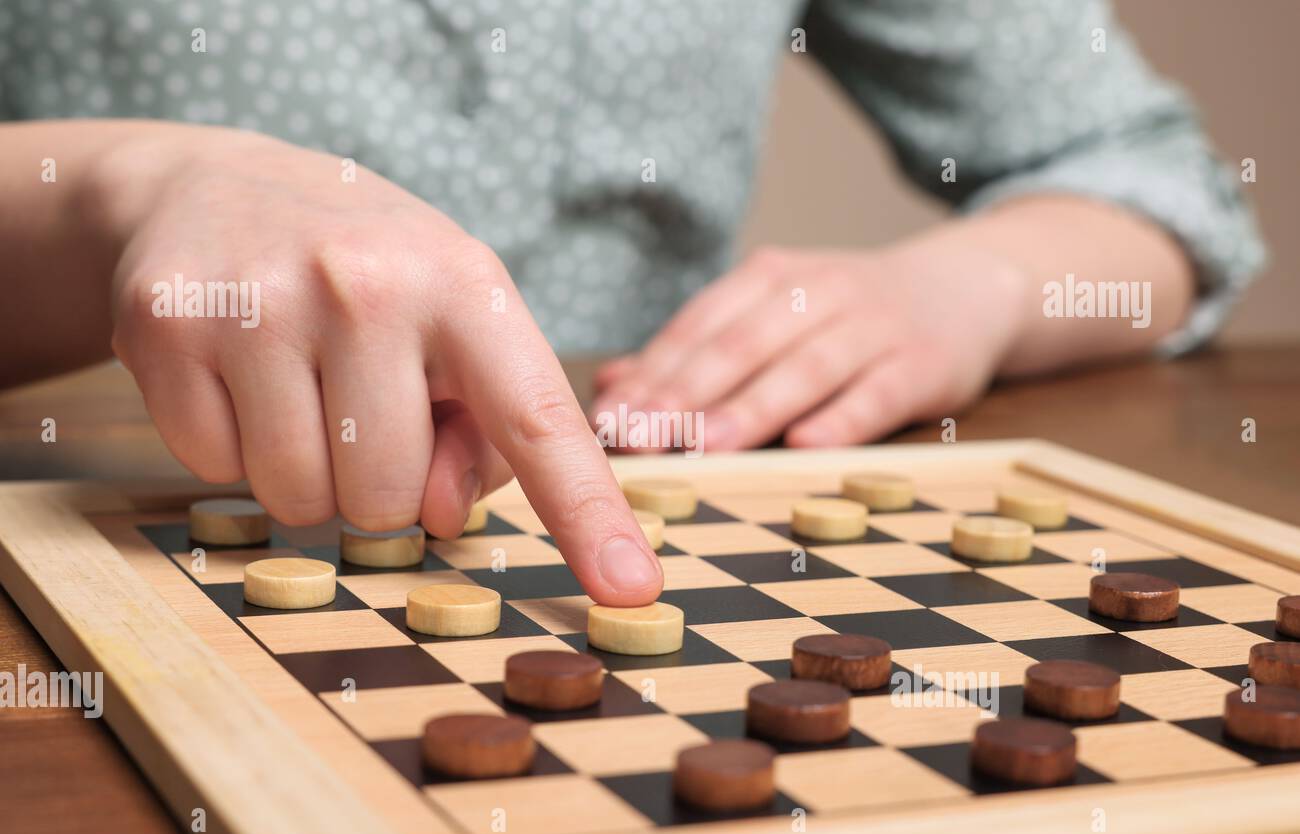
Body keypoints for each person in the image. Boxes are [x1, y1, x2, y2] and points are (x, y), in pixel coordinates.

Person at [0, 1, 1265, 607]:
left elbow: (1149, 179)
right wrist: (126, 187)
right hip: (114, 545)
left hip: (683, 525)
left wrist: (969, 286)